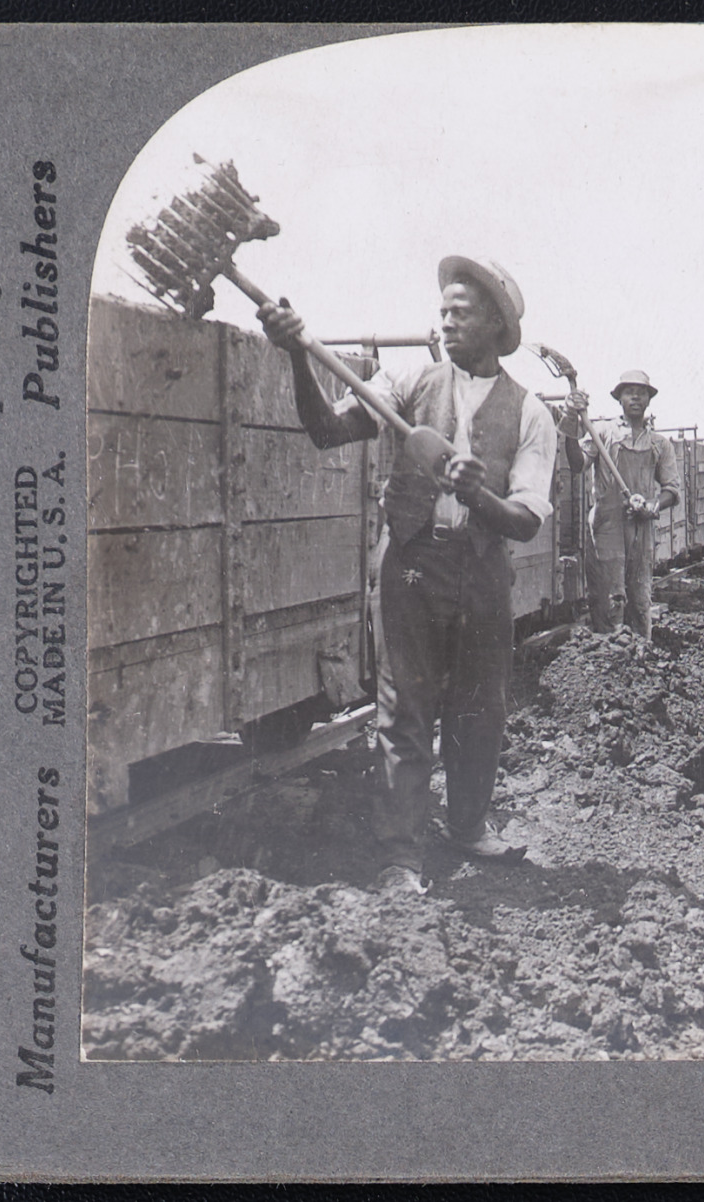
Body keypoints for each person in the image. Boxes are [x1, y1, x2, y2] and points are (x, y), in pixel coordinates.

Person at [258, 257, 558, 894]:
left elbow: (527, 521)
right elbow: (327, 430)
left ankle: (468, 827)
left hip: (483, 572)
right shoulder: (408, 379)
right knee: (404, 714)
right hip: (412, 567)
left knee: (480, 711)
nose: (446, 322)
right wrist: (297, 357)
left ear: (497, 325)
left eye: (461, 313)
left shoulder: (532, 413)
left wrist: (478, 495)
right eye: (443, 311)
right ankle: (400, 858)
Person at [580, 370, 681, 637]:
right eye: (629, 392)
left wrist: (653, 505)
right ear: (619, 398)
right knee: (609, 596)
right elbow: (578, 464)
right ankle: (609, 650)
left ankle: (641, 652)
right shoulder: (602, 432)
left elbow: (672, 490)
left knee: (639, 596)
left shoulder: (659, 444)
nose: (635, 397)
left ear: (649, 399)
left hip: (641, 527)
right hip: (607, 527)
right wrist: (570, 421)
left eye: (641, 392)